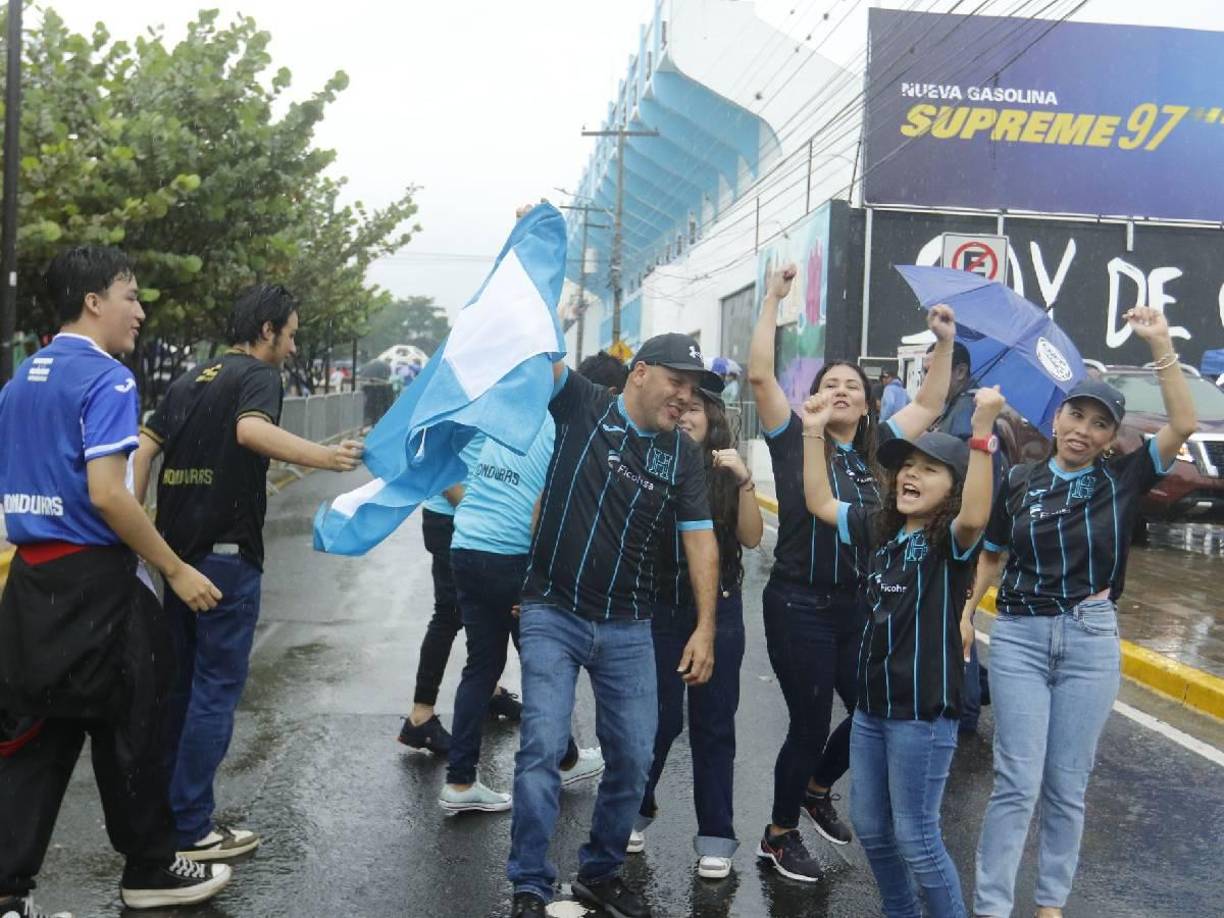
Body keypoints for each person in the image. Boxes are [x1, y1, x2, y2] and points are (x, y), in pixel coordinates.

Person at [0, 246, 231, 914]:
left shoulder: (22, 378)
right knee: (136, 724)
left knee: (33, 737)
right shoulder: (109, 379)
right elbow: (109, 493)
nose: (139, 309)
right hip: (99, 584)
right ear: (92, 301)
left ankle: (9, 889)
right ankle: (150, 869)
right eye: (129, 294)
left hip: (31, 587)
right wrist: (175, 567)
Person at [966, 308, 1196, 918]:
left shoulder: (1122, 478)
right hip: (1016, 635)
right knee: (1017, 781)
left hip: (1090, 638)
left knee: (1068, 785)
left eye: (1100, 424)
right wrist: (967, 614)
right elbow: (991, 555)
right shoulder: (1018, 480)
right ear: (1057, 415)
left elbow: (1183, 421)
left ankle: (1049, 905)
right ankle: (991, 906)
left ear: (1112, 436)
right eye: (1077, 414)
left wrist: (1161, 343)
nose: (1084, 430)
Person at [132, 284, 363, 862]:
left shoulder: (192, 377)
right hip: (227, 562)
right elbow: (251, 432)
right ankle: (192, 827)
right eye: (290, 334)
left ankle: (167, 816)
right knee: (214, 692)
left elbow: (142, 447)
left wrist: (140, 526)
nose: (291, 346)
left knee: (181, 690)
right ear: (266, 332)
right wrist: (325, 456)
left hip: (176, 558)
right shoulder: (258, 377)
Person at [746, 264, 957, 882]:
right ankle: (779, 836)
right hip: (798, 605)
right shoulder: (793, 436)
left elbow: (931, 401)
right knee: (810, 721)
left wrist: (943, 341)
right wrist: (772, 301)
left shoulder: (877, 452)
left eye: (852, 385)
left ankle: (815, 789)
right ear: (814, 396)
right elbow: (760, 372)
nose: (841, 389)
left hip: (860, 607)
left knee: (867, 711)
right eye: (830, 382)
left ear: (867, 404)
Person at [507, 334, 722, 918]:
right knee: (543, 746)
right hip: (552, 609)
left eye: (693, 390)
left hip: (630, 624)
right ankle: (529, 882)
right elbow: (537, 355)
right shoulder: (584, 403)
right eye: (676, 382)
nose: (684, 397)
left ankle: (599, 872)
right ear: (640, 373)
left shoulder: (681, 456)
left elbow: (700, 538)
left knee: (633, 758)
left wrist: (706, 626)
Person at [801, 384, 1004, 918]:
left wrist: (981, 434)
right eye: (906, 466)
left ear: (954, 489)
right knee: (871, 828)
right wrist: (813, 430)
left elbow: (978, 518)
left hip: (921, 714)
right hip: (871, 711)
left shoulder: (950, 544)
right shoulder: (878, 528)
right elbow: (820, 502)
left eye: (929, 469)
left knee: (916, 836)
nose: (911, 474)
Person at [629, 390, 763, 879]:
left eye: (695, 409)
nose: (685, 416)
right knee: (659, 721)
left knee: (714, 724)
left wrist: (745, 480)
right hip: (660, 607)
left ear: (712, 417)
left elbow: (751, 538)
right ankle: (635, 811)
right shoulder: (651, 461)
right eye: (678, 408)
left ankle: (716, 836)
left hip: (720, 609)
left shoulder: (725, 471)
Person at [921, 340, 1005, 735]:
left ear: (959, 372)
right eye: (924, 372)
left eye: (933, 369)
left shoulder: (968, 417)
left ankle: (966, 710)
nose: (927, 379)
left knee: (958, 619)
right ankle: (981, 692)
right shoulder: (946, 412)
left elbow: (973, 487)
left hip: (958, 540)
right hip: (947, 537)